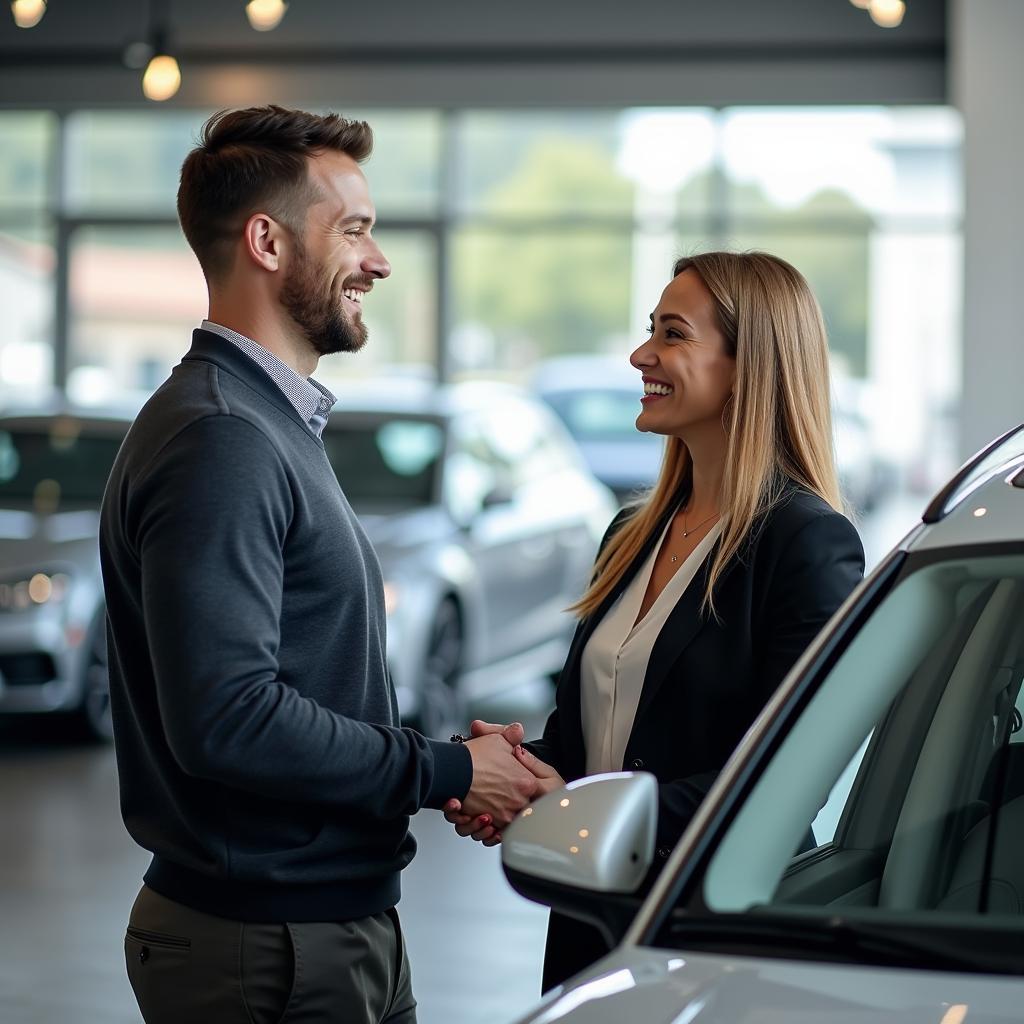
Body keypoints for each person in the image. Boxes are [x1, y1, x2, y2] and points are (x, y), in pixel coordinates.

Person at [99, 105, 538, 1024]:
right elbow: (229, 719)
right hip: (269, 949)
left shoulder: (260, 422)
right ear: (265, 241)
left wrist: (450, 764)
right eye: (354, 231)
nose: (377, 262)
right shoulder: (223, 436)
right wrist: (445, 772)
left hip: (320, 926)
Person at [444, 250, 866, 990]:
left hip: (710, 931)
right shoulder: (632, 532)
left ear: (748, 366)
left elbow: (785, 776)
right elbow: (600, 745)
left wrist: (582, 806)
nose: (642, 355)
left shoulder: (805, 542)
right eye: (650, 332)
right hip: (592, 918)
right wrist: (514, 771)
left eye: (673, 334)